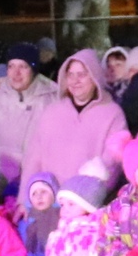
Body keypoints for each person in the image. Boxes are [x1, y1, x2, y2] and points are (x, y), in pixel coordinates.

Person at [19, 50, 130, 203]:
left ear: (95, 76)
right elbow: (33, 159)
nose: (75, 80)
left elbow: (112, 164)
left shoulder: (112, 114)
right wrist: (24, 200)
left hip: (87, 205)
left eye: (82, 74)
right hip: (48, 203)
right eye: (70, 75)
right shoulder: (51, 112)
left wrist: (86, 199)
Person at [0, 44, 57, 175]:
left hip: (38, 177)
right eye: (11, 66)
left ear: (33, 69)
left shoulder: (52, 98)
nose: (16, 73)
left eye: (23, 66)